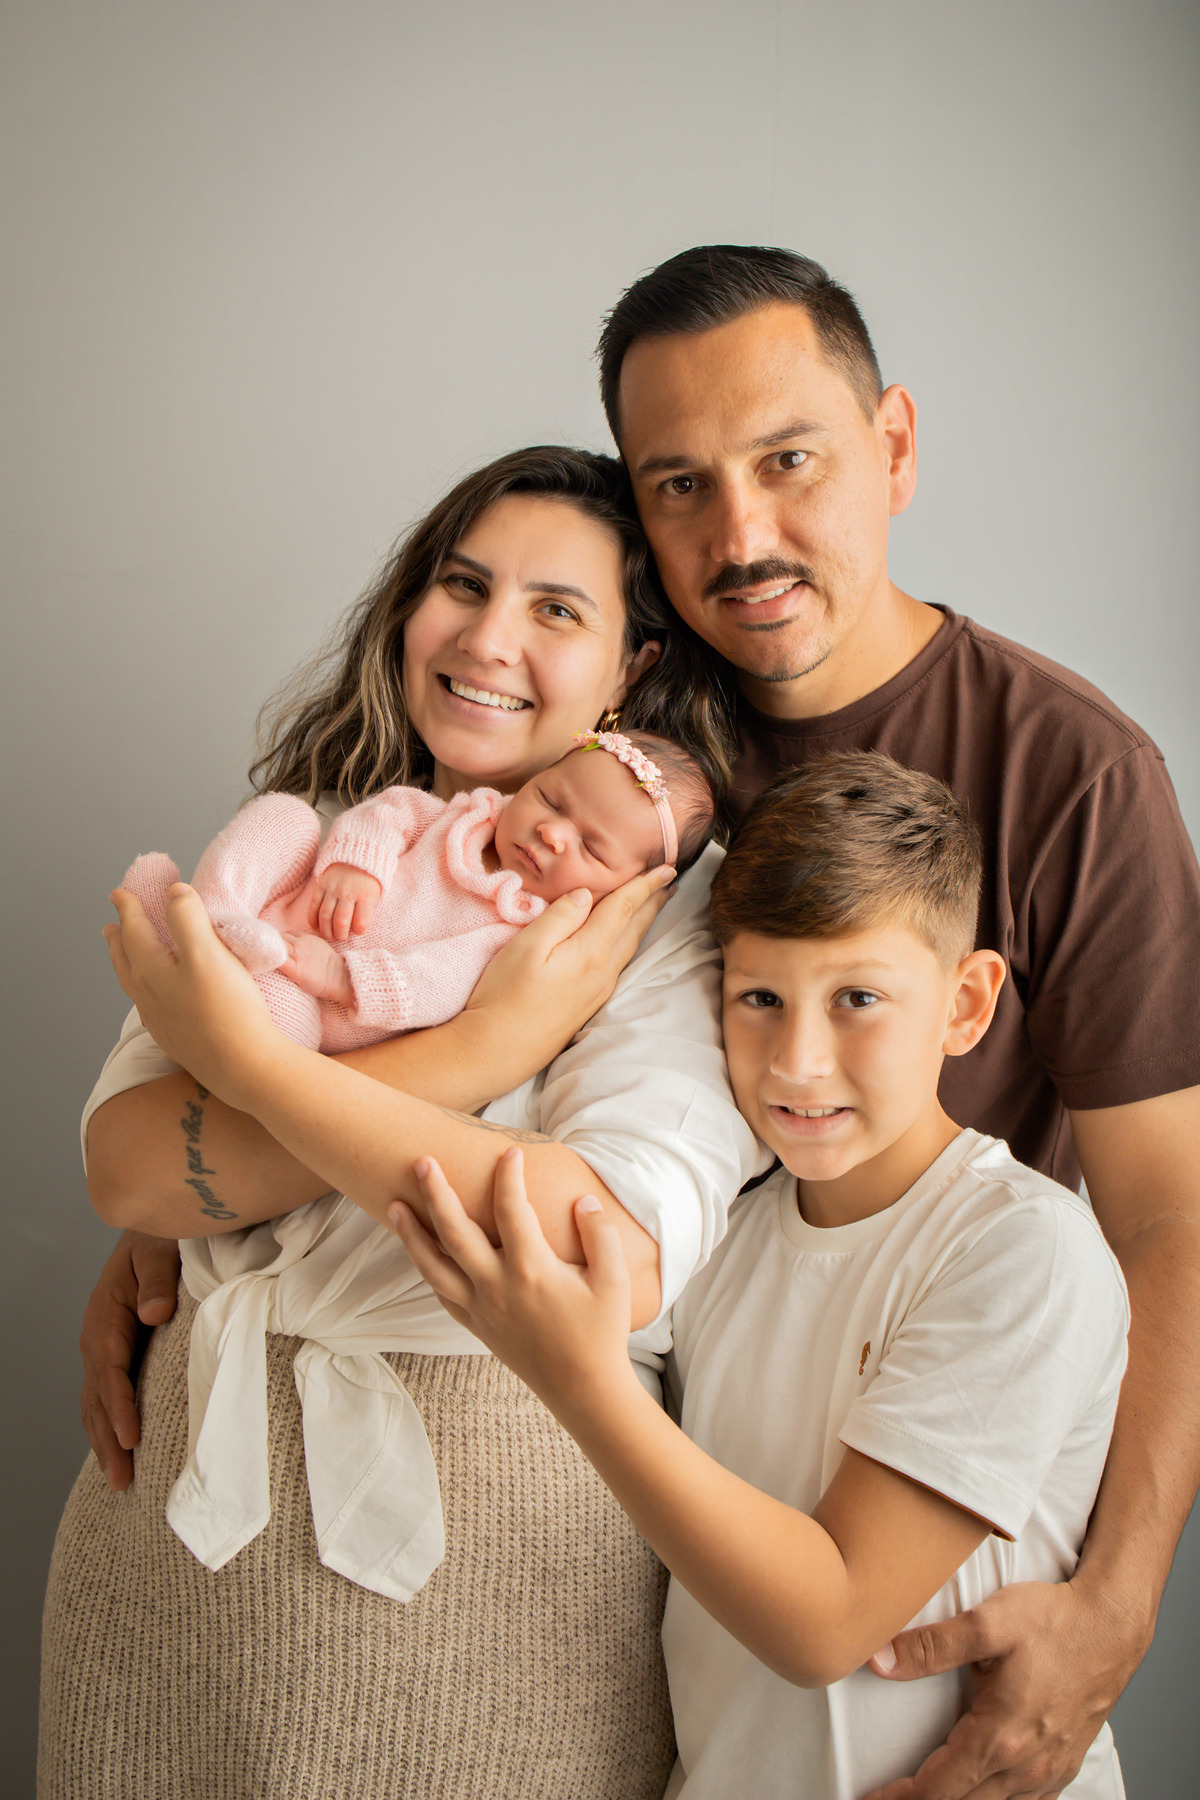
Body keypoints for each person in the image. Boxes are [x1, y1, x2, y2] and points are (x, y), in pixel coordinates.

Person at [75, 245, 1200, 1795]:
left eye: (789, 461)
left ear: (893, 448)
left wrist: (1120, 1600)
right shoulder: (587, 799)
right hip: (672, 1516)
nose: (740, 533)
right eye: (679, 485)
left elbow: (1168, 1222)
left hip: (898, 1500)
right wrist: (207, 1233)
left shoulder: (1063, 770)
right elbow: (170, 1150)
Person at [39, 445, 760, 1799]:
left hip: (495, 1567)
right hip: (165, 1554)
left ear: (633, 667)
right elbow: (129, 1173)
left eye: (557, 609)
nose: (487, 639)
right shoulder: (313, 840)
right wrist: (476, 1056)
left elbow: (603, 1247)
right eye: (463, 585)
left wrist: (247, 1073)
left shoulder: (669, 918)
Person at [388, 752, 1130, 1799]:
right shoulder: (717, 1244)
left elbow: (827, 1622)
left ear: (964, 1005)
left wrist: (581, 1381)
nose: (796, 1061)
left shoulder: (1021, 1248)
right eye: (760, 998)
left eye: (858, 998)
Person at [123, 728, 715, 1051]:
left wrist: (339, 976)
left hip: (313, 998)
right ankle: (210, 915)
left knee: (277, 1038)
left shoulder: (521, 929)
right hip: (281, 907)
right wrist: (360, 863)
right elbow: (391, 810)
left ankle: (191, 954)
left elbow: (441, 983)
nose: (552, 833)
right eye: (550, 799)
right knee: (286, 816)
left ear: (628, 889)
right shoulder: (464, 815)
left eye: (591, 848)